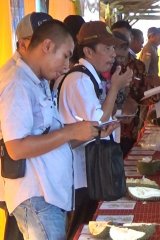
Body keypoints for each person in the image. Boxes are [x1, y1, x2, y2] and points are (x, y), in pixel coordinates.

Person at [0, 19, 111, 240]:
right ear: (47, 46)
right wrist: (70, 132)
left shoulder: (36, 80)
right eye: (66, 55)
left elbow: (52, 137)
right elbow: (16, 148)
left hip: (48, 194)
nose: (67, 65)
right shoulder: (17, 82)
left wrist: (85, 132)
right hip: (35, 196)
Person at [58, 21, 132, 239]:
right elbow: (98, 121)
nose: (113, 55)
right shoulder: (79, 79)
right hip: (79, 169)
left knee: (87, 222)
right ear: (88, 51)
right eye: (106, 49)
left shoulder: (89, 77)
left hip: (88, 166)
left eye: (114, 48)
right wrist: (116, 88)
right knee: (80, 226)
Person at [0, 12, 52, 240]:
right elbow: (16, 145)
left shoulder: (36, 74)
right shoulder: (14, 78)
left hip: (32, 181)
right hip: (18, 179)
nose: (47, 48)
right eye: (40, 42)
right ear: (23, 43)